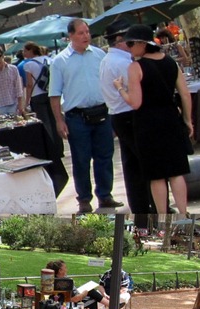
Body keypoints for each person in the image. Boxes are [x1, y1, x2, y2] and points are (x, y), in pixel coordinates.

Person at [114, 24, 192, 215]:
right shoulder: (171, 63)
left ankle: (163, 216)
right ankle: (183, 213)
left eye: (131, 43)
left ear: (142, 44)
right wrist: (188, 120)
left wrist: (120, 89)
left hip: (147, 123)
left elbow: (135, 102)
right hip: (171, 119)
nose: (129, 48)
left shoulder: (136, 67)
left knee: (156, 175)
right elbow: (185, 94)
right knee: (176, 172)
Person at [49, 18, 123, 215]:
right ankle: (83, 199)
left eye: (88, 32)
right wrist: (59, 120)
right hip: (76, 117)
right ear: (70, 36)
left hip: (102, 113)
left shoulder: (99, 55)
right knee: (81, 160)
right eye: (81, 33)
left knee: (105, 156)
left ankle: (105, 195)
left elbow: (110, 84)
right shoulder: (59, 61)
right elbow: (54, 94)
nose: (86, 36)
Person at [99, 20, 156, 220]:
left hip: (119, 115)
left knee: (133, 165)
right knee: (145, 164)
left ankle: (142, 207)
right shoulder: (124, 62)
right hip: (129, 114)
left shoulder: (109, 60)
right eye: (129, 40)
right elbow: (138, 93)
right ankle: (151, 206)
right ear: (119, 40)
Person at [22, 42, 63, 159]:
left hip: (37, 96)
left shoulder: (29, 65)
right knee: (55, 120)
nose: (24, 53)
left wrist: (27, 101)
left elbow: (29, 84)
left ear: (30, 51)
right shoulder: (49, 60)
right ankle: (59, 148)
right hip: (51, 94)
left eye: (25, 51)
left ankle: (51, 149)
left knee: (45, 123)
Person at [0, 45, 25, 116]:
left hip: (14, 104)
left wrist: (21, 106)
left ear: (3, 56)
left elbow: (19, 89)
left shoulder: (13, 69)